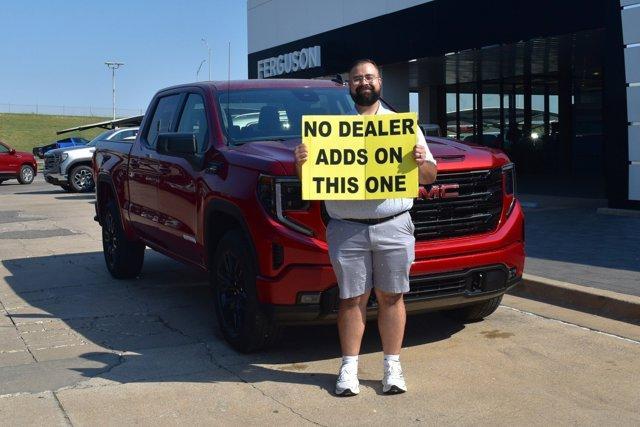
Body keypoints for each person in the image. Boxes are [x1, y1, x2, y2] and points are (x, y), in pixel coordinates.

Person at [294, 59, 437, 396]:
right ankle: (349, 368)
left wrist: (420, 162)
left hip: (394, 224)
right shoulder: (330, 131)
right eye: (357, 78)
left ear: (380, 82)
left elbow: (430, 177)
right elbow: (308, 183)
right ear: (350, 85)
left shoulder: (403, 128)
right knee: (351, 298)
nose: (364, 82)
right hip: (347, 228)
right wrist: (300, 163)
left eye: (369, 77)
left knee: (392, 297)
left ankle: (392, 367)